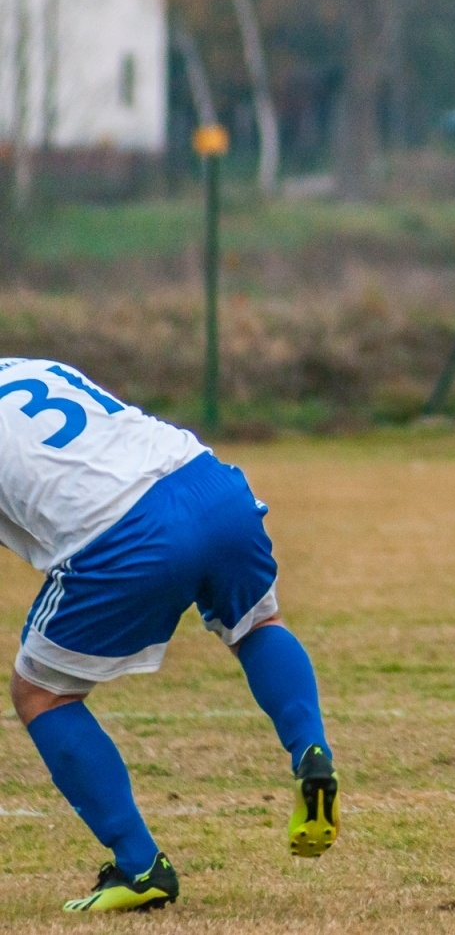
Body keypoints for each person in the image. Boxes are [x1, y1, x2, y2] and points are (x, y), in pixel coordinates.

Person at [2, 358, 338, 913]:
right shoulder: (31, 366)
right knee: (256, 624)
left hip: (125, 533)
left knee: (40, 694)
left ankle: (140, 866)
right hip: (207, 484)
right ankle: (311, 749)